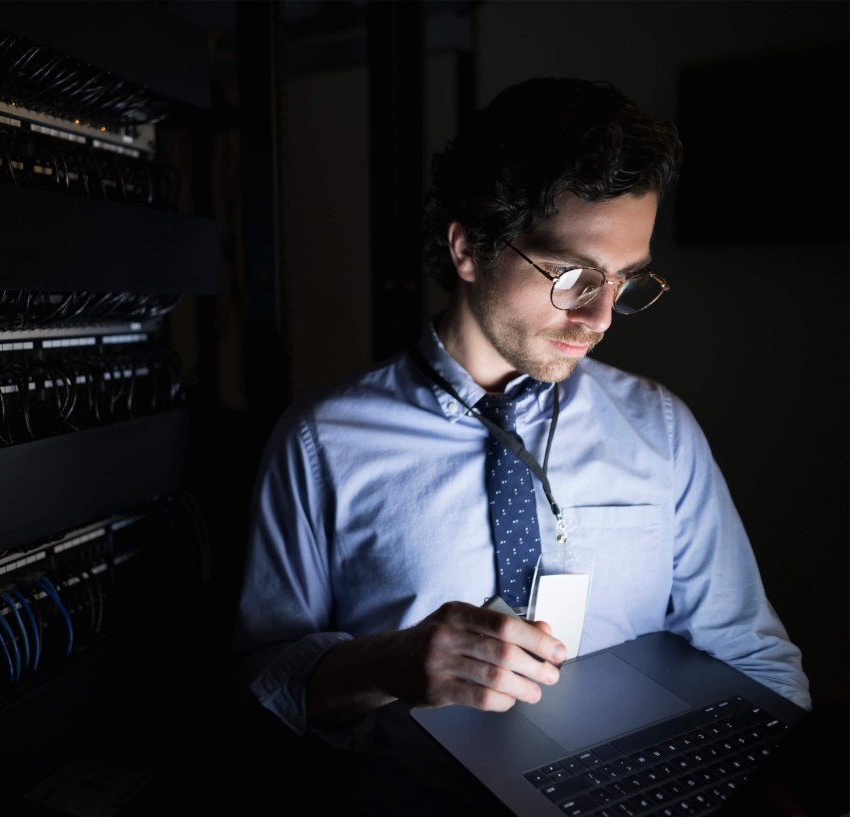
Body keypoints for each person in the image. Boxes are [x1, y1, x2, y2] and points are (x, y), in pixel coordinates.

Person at [231, 77, 812, 747]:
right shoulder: (321, 443)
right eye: (573, 277)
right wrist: (386, 663)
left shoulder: (663, 431)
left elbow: (754, 656)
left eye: (625, 282)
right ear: (469, 248)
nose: (599, 319)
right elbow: (263, 684)